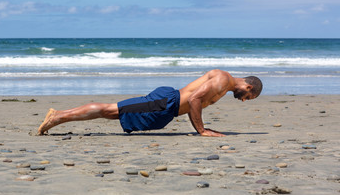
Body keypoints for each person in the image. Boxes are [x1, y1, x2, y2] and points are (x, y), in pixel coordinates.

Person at [38, 69, 262, 137]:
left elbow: (195, 100)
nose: (243, 100)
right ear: (249, 87)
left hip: (167, 106)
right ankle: (58, 116)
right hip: (166, 102)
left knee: (114, 113)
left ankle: (59, 115)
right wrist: (202, 130)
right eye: (247, 97)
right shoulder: (223, 80)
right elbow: (194, 99)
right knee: (111, 110)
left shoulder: (224, 82)